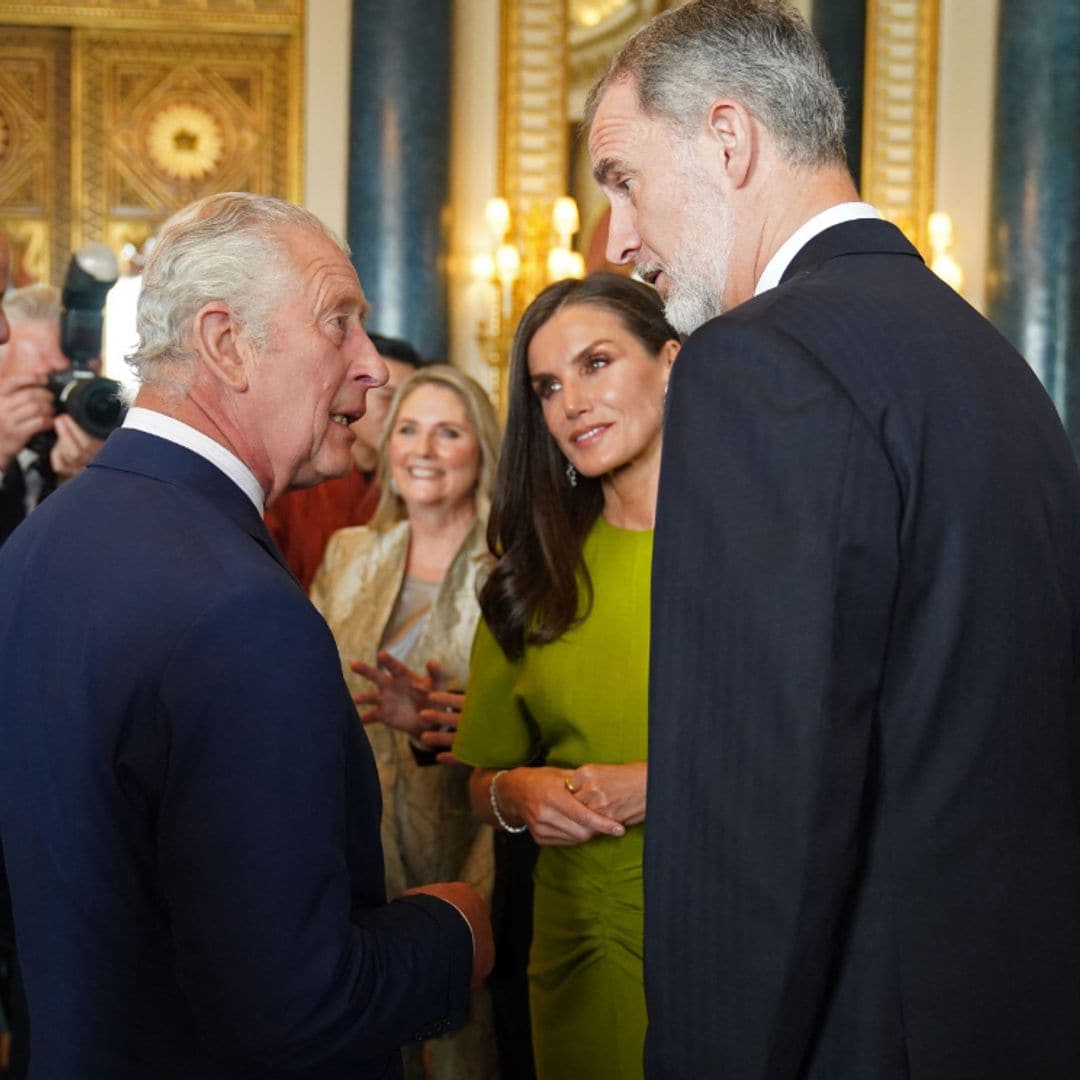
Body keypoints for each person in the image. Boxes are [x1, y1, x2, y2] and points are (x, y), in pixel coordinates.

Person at [584, 3, 1080, 1078]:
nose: (616, 241)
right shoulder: (990, 359)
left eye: (621, 178)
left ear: (729, 136)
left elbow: (754, 815)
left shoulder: (757, 363)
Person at [0, 193, 493, 1080]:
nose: (373, 367)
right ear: (227, 343)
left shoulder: (39, 545)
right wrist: (455, 929)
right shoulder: (244, 610)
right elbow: (296, 1005)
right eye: (339, 323)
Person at [452, 273, 680, 1080]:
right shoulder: (534, 575)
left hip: (731, 931)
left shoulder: (758, 553)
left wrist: (662, 783)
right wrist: (516, 796)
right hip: (573, 938)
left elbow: (842, 752)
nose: (571, 403)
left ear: (672, 364)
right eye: (549, 386)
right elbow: (476, 782)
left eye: (597, 363)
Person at [310, 364, 502, 1080]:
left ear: (480, 448)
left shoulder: (510, 569)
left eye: (448, 432)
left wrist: (437, 725)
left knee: (466, 1047)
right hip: (354, 847)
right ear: (387, 445)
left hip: (466, 847)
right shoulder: (350, 553)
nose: (424, 449)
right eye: (410, 429)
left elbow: (528, 731)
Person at [265, 333, 423, 590]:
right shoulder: (300, 477)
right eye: (387, 397)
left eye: (407, 401)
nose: (399, 412)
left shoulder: (414, 485)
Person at [0, 284, 105, 546]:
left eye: (68, 383)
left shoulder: (121, 441)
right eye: (37, 387)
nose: (57, 399)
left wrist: (96, 484)